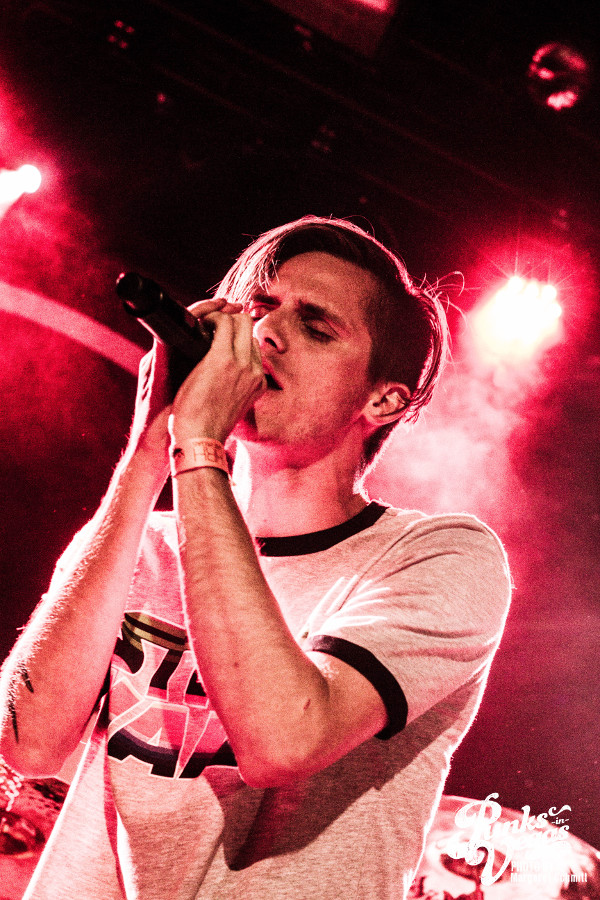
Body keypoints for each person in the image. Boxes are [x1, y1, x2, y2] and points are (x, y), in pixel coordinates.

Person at [0, 216, 511, 900]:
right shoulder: (138, 542)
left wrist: (198, 448)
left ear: (384, 400)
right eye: (259, 308)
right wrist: (148, 452)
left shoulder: (438, 557)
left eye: (315, 327)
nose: (266, 332)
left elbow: (286, 739)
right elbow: (27, 742)